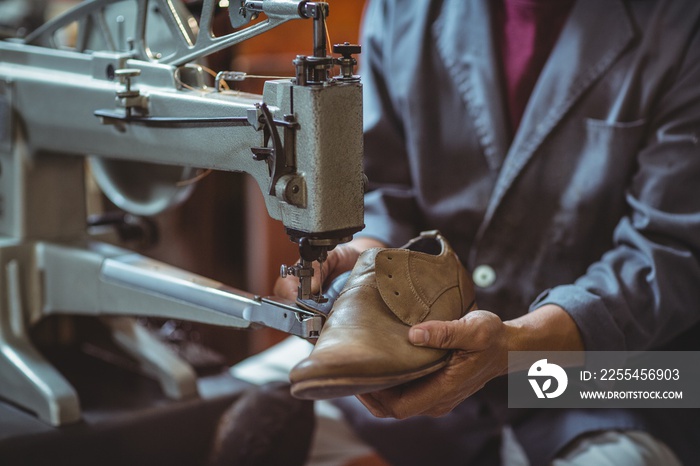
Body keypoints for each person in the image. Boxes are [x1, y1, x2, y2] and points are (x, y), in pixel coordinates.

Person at [239, 0, 700, 464]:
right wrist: (366, 256)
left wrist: (517, 347)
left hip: (622, 373)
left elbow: (670, 251)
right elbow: (384, 189)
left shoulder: (682, 23)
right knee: (229, 420)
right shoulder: (403, 10)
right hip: (424, 344)